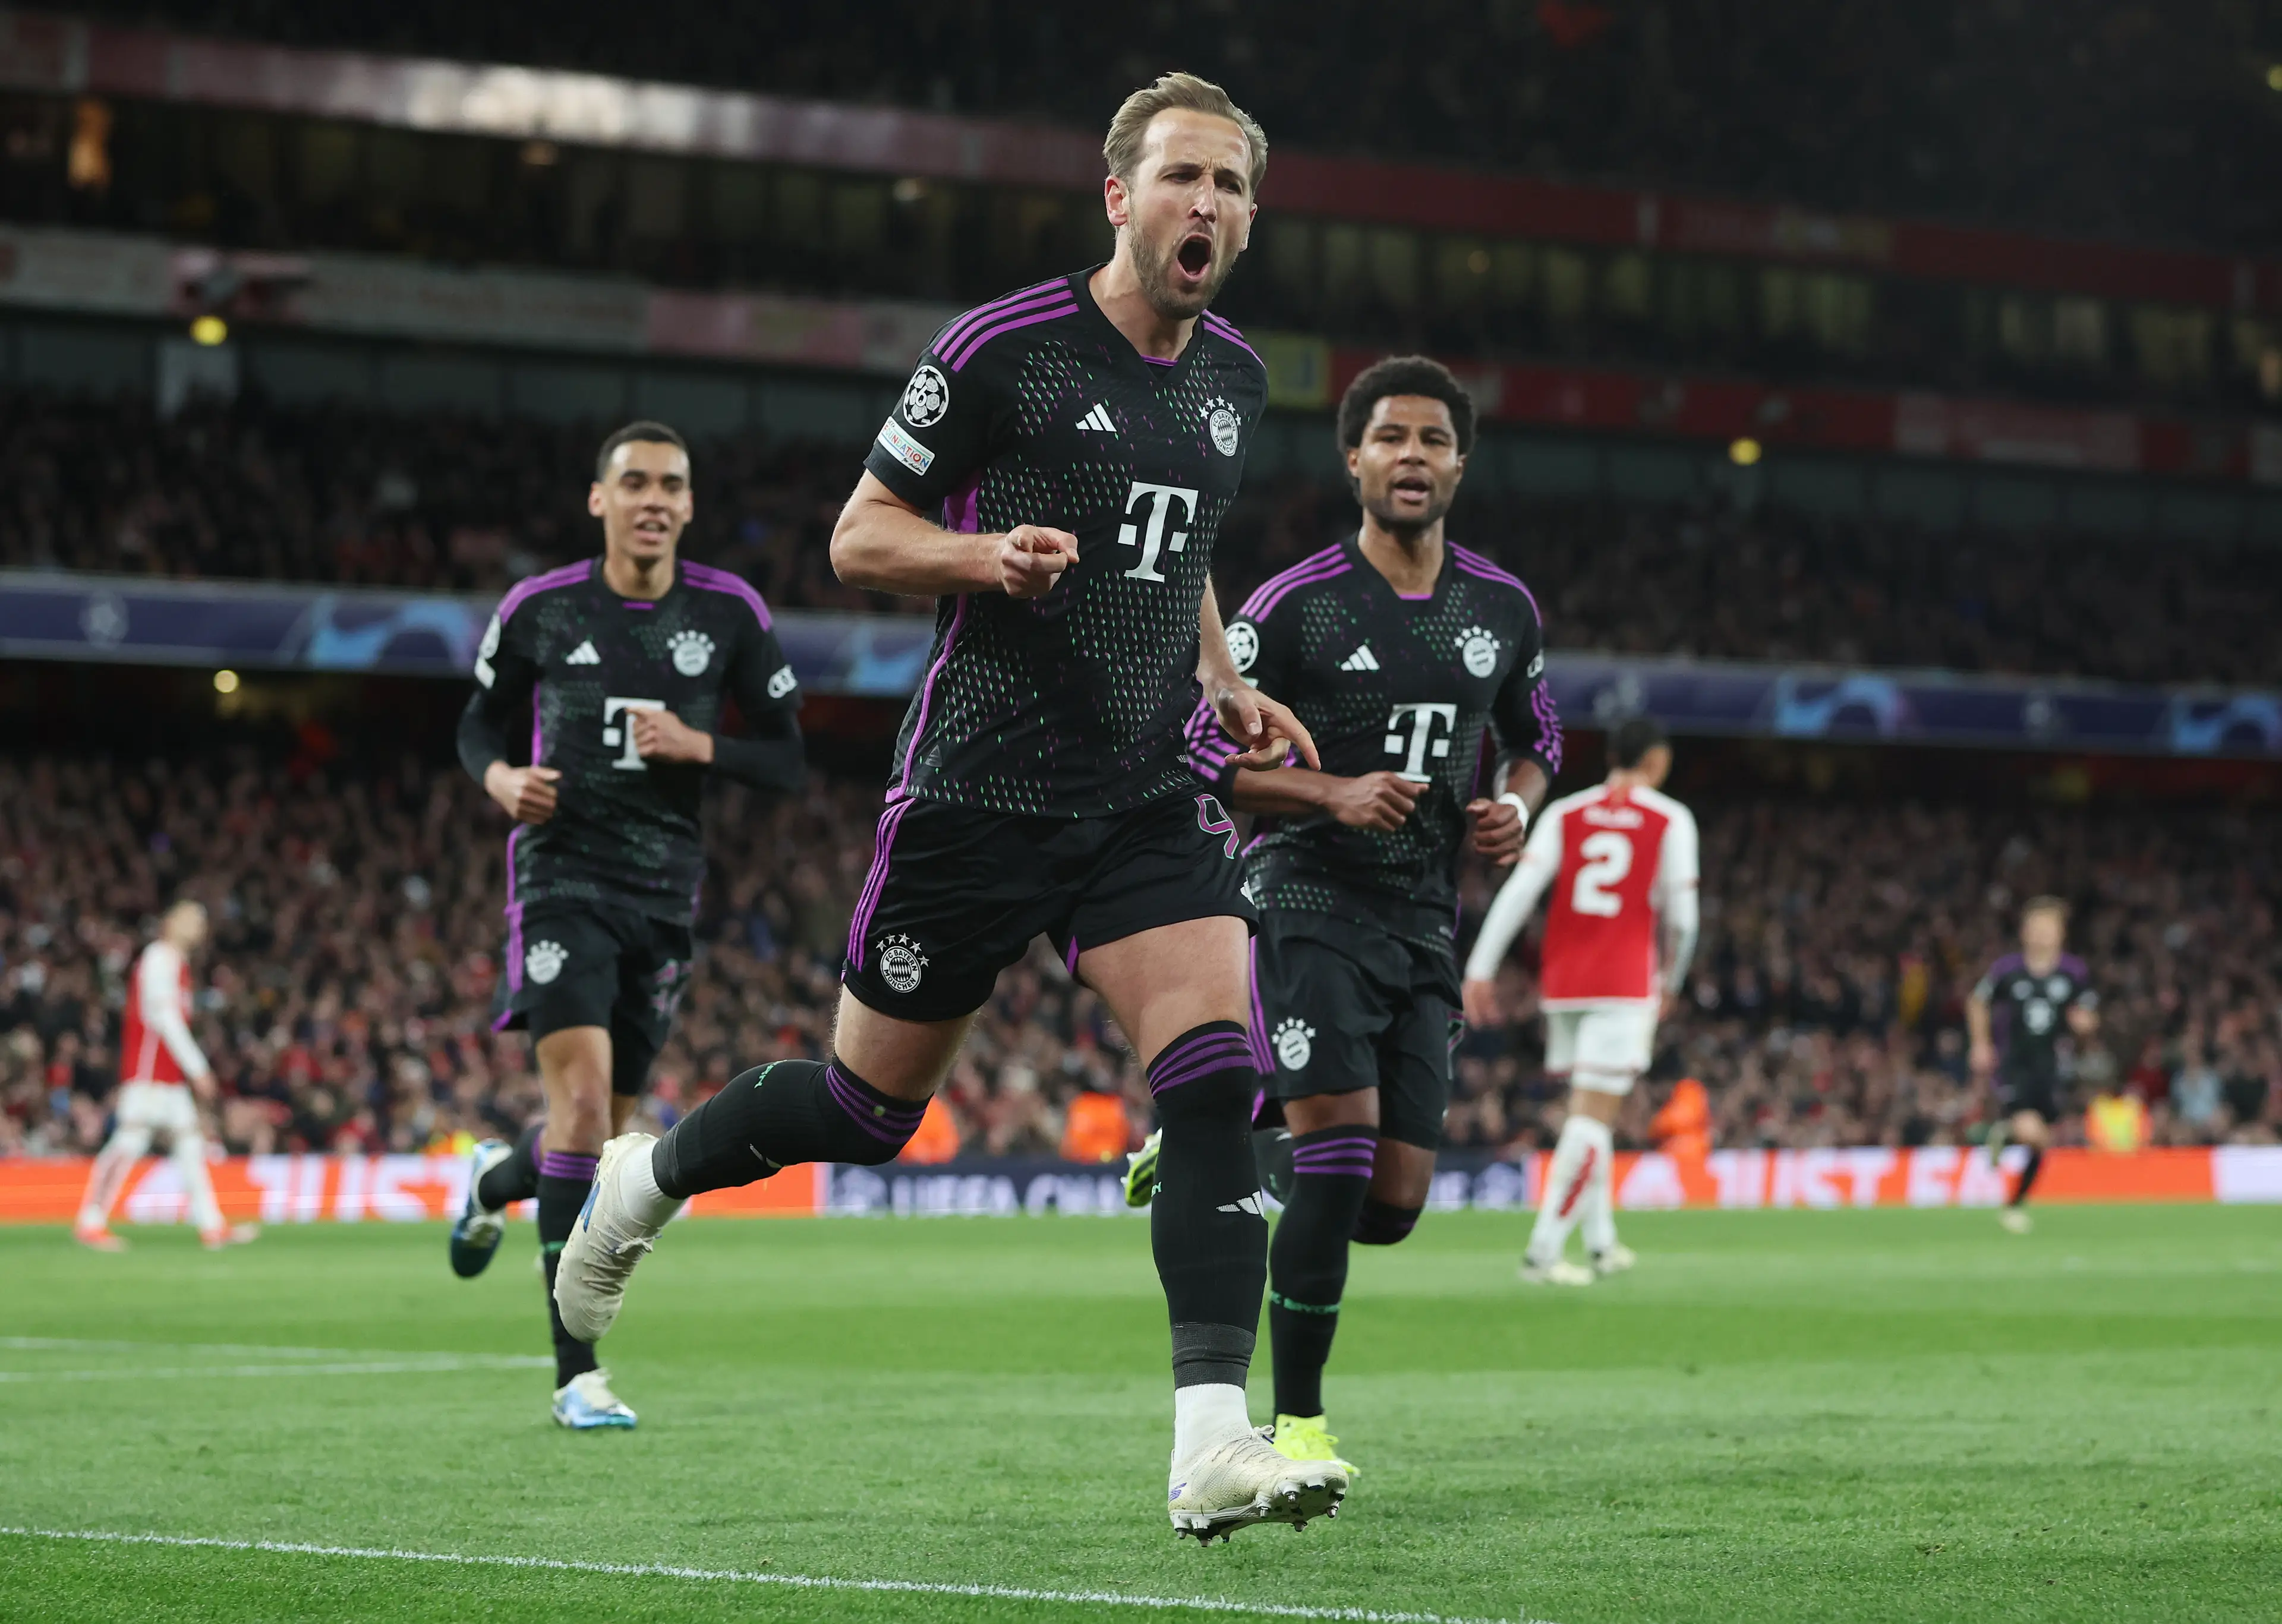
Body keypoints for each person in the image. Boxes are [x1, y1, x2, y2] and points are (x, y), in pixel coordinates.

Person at [554, 73, 1344, 1541]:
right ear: (1119, 196)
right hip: (976, 796)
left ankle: (1208, 1442)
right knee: (864, 1112)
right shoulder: (1005, 348)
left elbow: (1179, 558)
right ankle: (644, 1174)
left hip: (1141, 796)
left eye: (1231, 186)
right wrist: (985, 558)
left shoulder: (1233, 381)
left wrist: (1225, 676)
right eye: (1181, 177)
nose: (1207, 204)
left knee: (1214, 1077)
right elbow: (858, 537)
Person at [1130, 356, 1558, 1476]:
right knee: (1339, 1157)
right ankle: (1299, 1424)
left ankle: (1219, 1137)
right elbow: (1198, 752)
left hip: (1424, 921)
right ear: (1354, 458)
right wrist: (1331, 793)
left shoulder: (1502, 608)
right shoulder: (1295, 604)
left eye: (1433, 440)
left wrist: (1516, 803)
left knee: (1394, 1201)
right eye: (1391, 438)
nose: (1412, 456)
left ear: (1460, 464)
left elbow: (1539, 737)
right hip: (1306, 899)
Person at [448, 420, 807, 1429]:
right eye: (636, 482)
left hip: (664, 897)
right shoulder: (541, 608)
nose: (655, 499)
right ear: (599, 500)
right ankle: (577, 1371)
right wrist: (499, 776)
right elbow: (476, 722)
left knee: (599, 1135)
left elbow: (787, 758)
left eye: (672, 485)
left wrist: (703, 745)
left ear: (690, 506)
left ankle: (493, 1181)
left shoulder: (729, 612)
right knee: (579, 1108)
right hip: (560, 878)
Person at [1462, 716, 1698, 1285]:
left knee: (1589, 1111)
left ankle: (1601, 1243)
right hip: (1624, 984)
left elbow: (1521, 890)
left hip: (1565, 984)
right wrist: (1671, 978)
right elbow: (1684, 919)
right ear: (1657, 761)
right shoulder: (1669, 818)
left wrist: (1480, 966)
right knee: (1592, 1120)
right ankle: (1542, 1252)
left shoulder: (1567, 812)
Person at [74, 900, 256, 1251]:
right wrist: (197, 1067)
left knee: (190, 1144)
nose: (201, 931)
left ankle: (212, 1225)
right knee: (129, 1143)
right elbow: (164, 1018)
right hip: (148, 1073)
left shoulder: (176, 963)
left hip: (168, 1076)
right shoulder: (159, 959)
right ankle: (90, 1221)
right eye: (196, 923)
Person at [1968, 897, 2097, 1234]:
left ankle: (2013, 1202)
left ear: (2061, 934)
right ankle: (2005, 1135)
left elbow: (2087, 1016)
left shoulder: (2073, 973)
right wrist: (1981, 1044)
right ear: (2025, 933)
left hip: (2052, 1070)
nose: (2042, 935)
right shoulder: (2007, 970)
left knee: (2041, 1142)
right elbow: (1978, 1001)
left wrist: (2084, 1026)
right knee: (2031, 1132)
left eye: (2049, 929)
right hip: (2014, 1067)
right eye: (2036, 928)